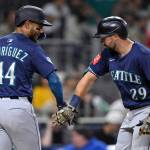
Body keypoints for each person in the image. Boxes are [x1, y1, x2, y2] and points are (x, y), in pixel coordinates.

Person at [52, 16, 150, 150]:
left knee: (141, 147)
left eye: (104, 37)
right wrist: (72, 106)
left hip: (147, 110)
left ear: (115, 35)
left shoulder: (143, 55)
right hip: (130, 112)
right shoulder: (107, 55)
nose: (102, 41)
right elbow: (88, 78)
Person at [0, 5, 66, 150]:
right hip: (18, 108)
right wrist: (61, 104)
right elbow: (54, 79)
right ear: (27, 24)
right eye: (39, 26)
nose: (41, 30)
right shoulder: (31, 47)